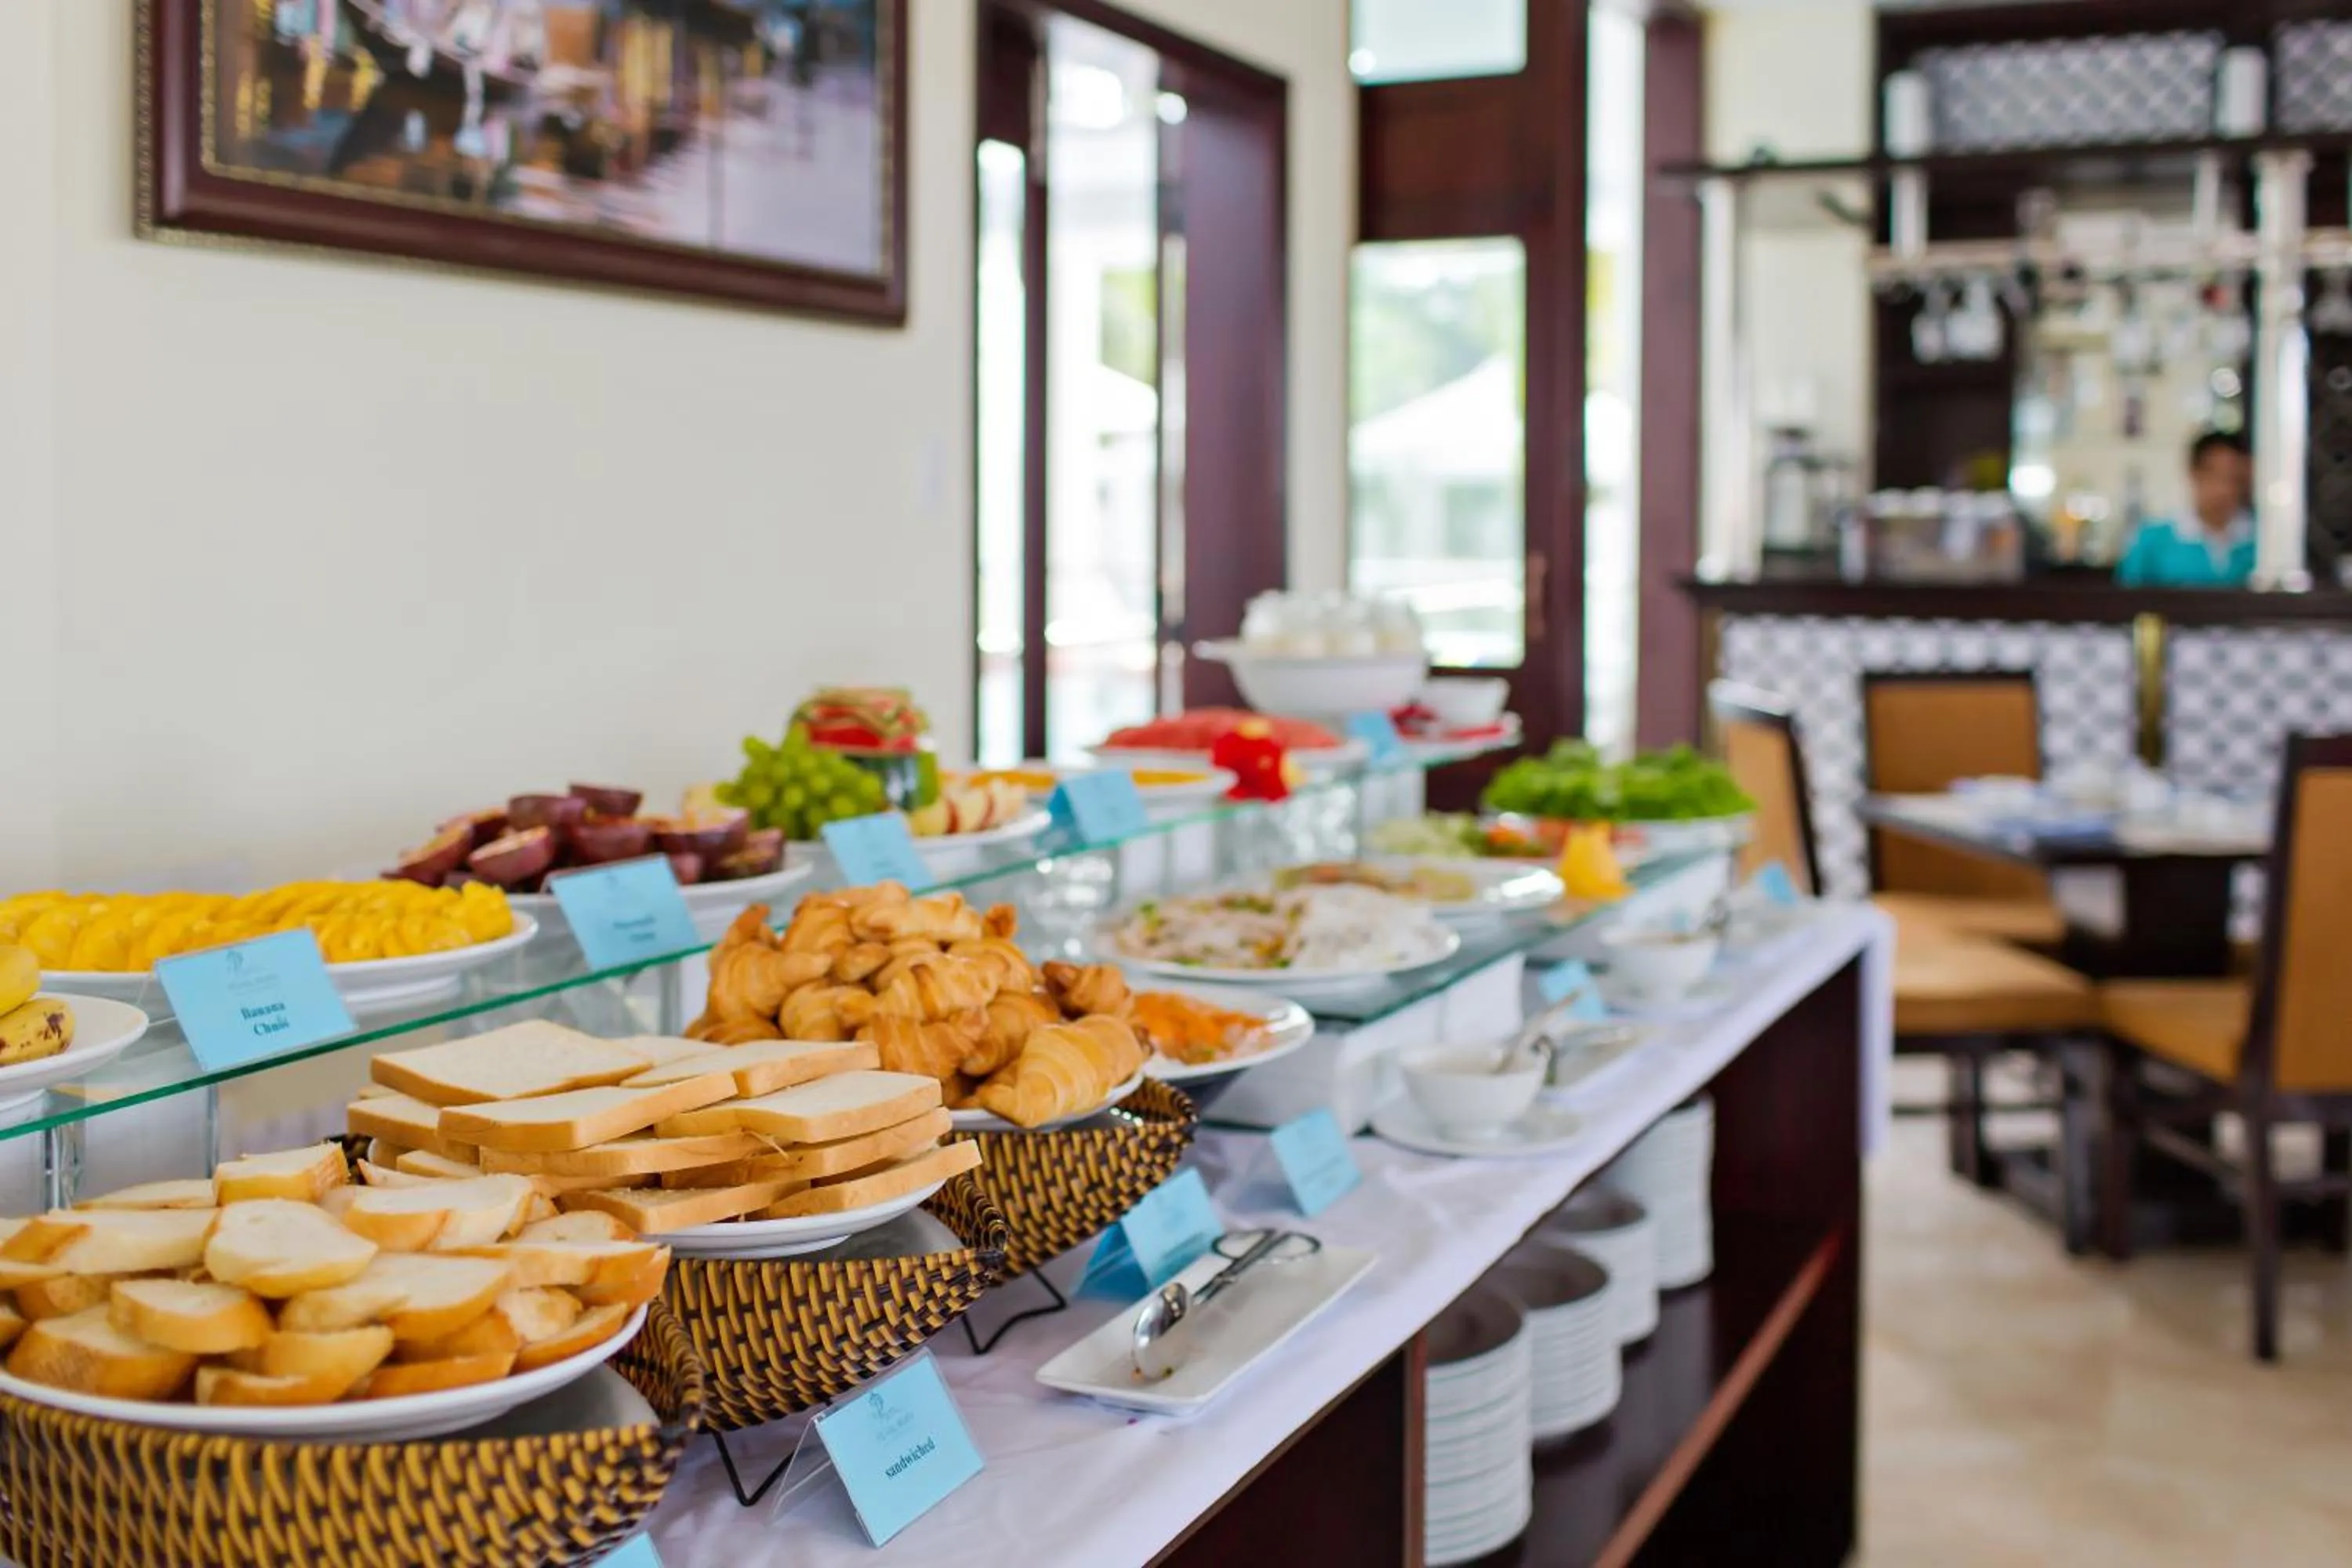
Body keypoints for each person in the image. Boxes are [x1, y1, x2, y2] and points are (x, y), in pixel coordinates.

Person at [2113, 431, 2256, 587]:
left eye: (2234, 478)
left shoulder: (2260, 541)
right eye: (2214, 475)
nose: (2224, 490)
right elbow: (2126, 603)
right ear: (2193, 473)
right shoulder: (2152, 541)